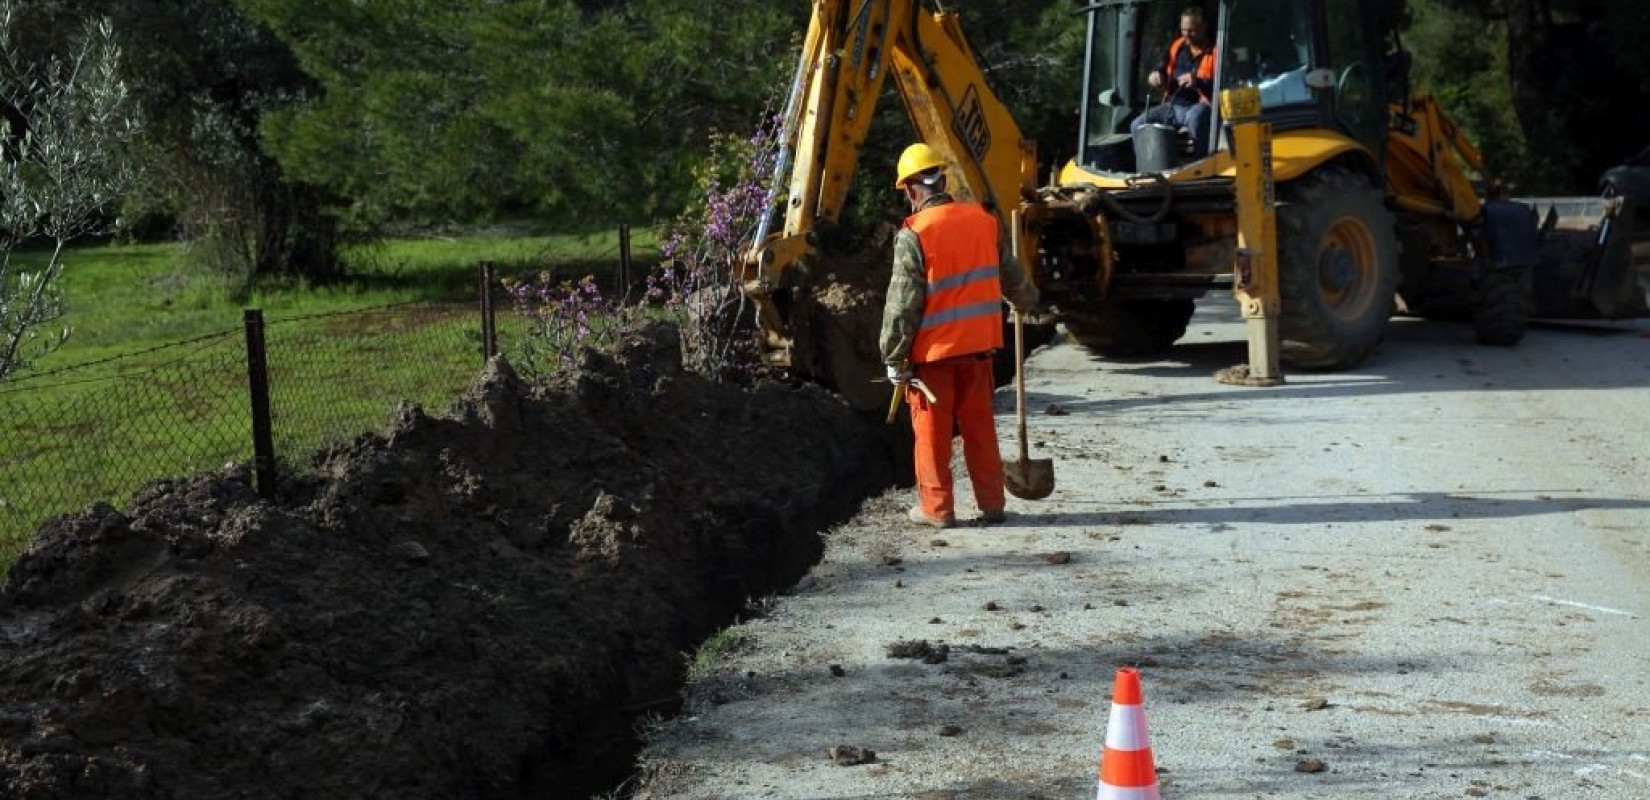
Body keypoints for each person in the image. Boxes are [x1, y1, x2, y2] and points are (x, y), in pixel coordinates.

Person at [880, 143, 1039, 529]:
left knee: (931, 434)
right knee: (979, 428)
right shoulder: (982, 221)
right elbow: (1016, 281)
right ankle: (992, 503)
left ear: (913, 189)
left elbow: (903, 303)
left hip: (933, 357)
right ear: (943, 180)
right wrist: (1027, 301)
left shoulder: (914, 233)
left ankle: (937, 510)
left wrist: (893, 355)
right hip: (980, 349)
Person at [1130, 6, 1218, 159]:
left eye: (1192, 30)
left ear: (1204, 28)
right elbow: (1162, 67)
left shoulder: (1215, 51)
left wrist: (1197, 82)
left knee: (1196, 118)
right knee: (1138, 124)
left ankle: (1200, 163)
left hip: (1200, 106)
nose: (1187, 35)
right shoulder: (1177, 46)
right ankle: (1146, 164)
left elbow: (1222, 86)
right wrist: (1157, 75)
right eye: (1184, 30)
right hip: (1172, 106)